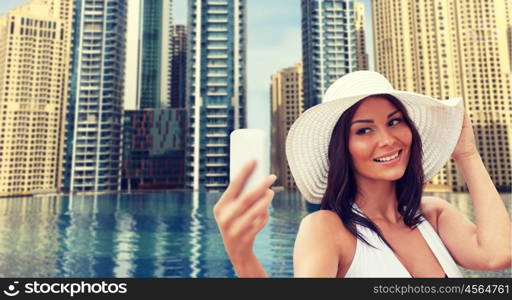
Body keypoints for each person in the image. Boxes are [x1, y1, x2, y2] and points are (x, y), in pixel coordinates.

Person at [213, 71, 512, 277]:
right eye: (364, 129)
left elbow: (497, 255)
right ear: (342, 148)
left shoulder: (432, 214)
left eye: (395, 122)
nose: (387, 139)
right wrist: (243, 258)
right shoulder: (326, 229)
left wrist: (467, 154)